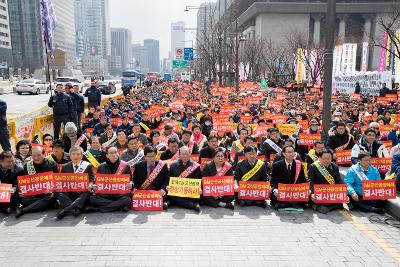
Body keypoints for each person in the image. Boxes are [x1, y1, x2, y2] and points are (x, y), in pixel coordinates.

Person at [15, 146, 58, 218]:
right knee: (22, 199)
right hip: (33, 195)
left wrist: (52, 189)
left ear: (44, 154)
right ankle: (44, 204)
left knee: (51, 197)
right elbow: (24, 182)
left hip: (47, 193)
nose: (36, 157)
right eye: (34, 155)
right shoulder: (27, 166)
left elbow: (57, 180)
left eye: (39, 155)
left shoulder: (52, 164)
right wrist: (22, 191)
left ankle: (24, 210)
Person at [56, 146, 95, 219]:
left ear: (82, 156)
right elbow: (62, 181)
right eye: (73, 154)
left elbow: (92, 179)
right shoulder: (65, 167)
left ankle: (67, 209)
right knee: (57, 191)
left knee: (89, 192)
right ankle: (76, 208)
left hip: (82, 192)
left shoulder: (87, 166)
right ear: (70, 156)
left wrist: (90, 184)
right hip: (70, 193)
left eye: (78, 154)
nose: (75, 156)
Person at [90, 146, 132, 212]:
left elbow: (131, 181)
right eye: (111, 153)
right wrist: (95, 186)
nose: (114, 155)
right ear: (107, 155)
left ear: (118, 154)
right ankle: (118, 206)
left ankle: (103, 208)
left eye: (115, 152)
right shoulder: (101, 167)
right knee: (92, 199)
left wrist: (131, 184)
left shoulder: (126, 166)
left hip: (120, 195)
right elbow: (97, 182)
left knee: (127, 199)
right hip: (105, 195)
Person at [270, 146, 308, 210]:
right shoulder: (276, 165)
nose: (291, 154)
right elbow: (273, 181)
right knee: (273, 195)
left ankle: (284, 204)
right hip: (282, 191)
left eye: (293, 152)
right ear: (284, 154)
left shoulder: (298, 164)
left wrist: (307, 189)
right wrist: (275, 190)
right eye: (289, 152)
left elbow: (303, 180)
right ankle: (292, 204)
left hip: (294, 191)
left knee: (307, 196)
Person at [308, 150, 344, 214]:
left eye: (329, 158)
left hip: (330, 192)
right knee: (312, 198)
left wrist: (343, 192)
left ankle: (322, 206)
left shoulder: (334, 166)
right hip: (318, 192)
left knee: (341, 201)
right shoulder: (313, 167)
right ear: (319, 158)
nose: (326, 160)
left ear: (331, 158)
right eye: (324, 158)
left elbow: (338, 180)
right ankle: (327, 206)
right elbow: (311, 181)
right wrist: (312, 193)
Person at [168, 146, 202, 212]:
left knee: (199, 195)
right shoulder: (173, 166)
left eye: (187, 154)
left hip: (190, 192)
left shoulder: (196, 166)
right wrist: (168, 186)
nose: (185, 156)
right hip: (177, 192)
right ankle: (193, 206)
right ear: (179, 155)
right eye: (183, 154)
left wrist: (199, 188)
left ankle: (173, 202)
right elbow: (169, 179)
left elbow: (198, 180)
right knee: (170, 193)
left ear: (190, 154)